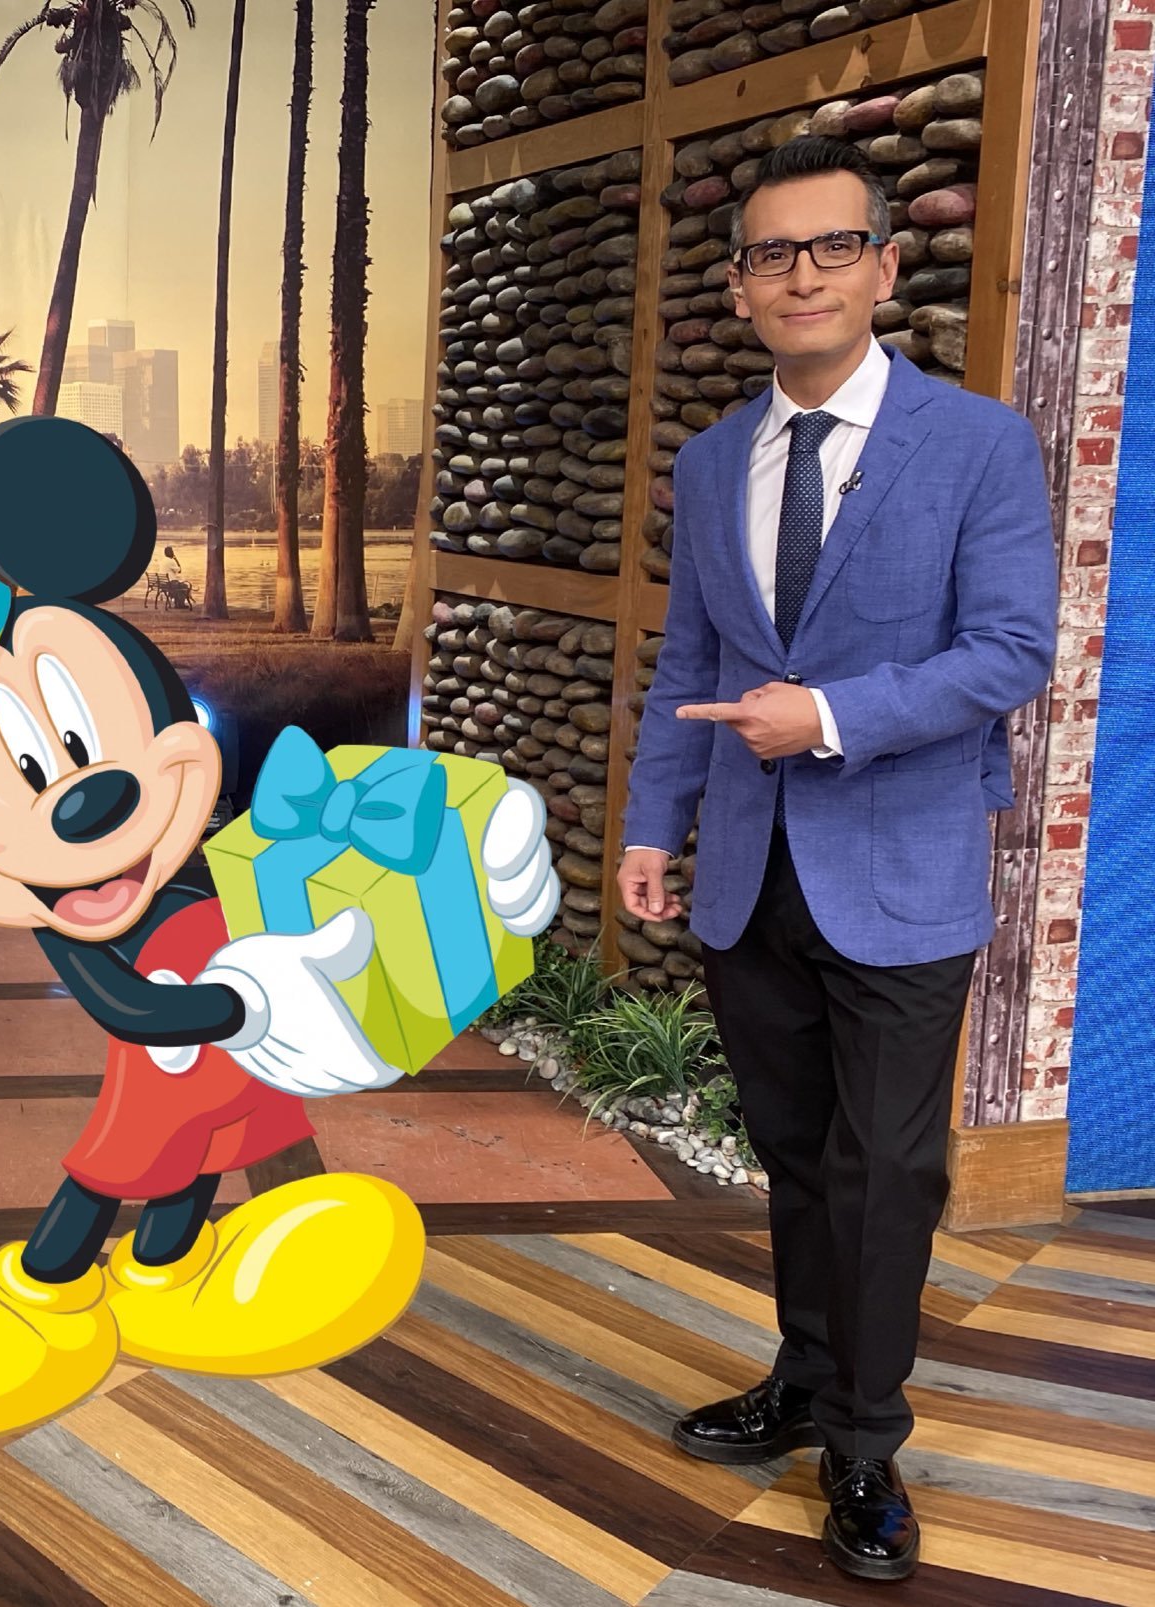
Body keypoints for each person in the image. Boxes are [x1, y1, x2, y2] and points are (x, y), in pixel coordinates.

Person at [618, 136, 1056, 1583]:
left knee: (888, 1171)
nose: (800, 275)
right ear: (740, 287)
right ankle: (806, 1378)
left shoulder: (978, 444)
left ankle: (866, 1442)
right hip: (750, 873)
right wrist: (652, 824)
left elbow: (1011, 651)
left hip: (903, 871)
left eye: (830, 247)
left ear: (882, 267)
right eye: (770, 253)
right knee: (797, 1156)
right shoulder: (708, 463)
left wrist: (828, 717)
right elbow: (692, 663)